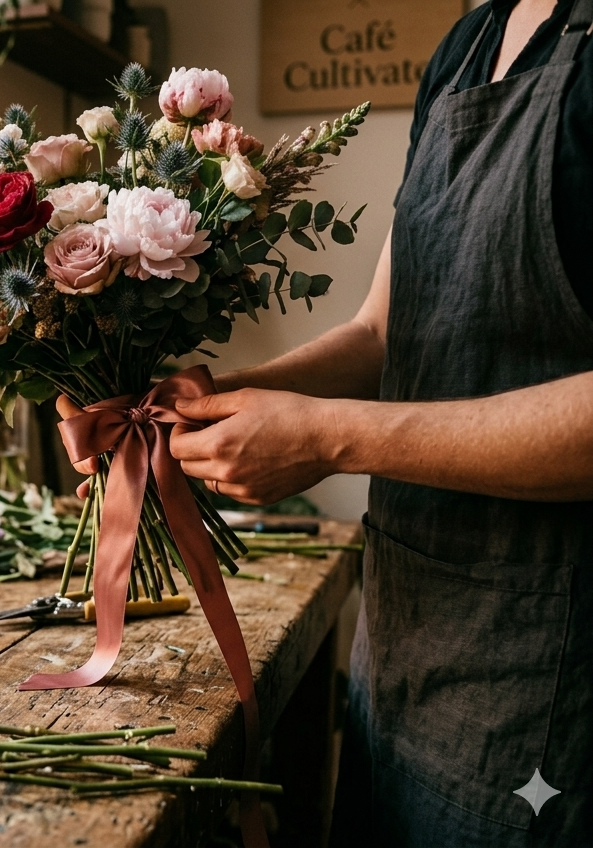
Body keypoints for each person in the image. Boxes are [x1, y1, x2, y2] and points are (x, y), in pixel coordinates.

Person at [167, 0, 593, 844]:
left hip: (552, 668)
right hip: (405, 642)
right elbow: (381, 332)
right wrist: (203, 399)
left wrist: (326, 438)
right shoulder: (466, 46)